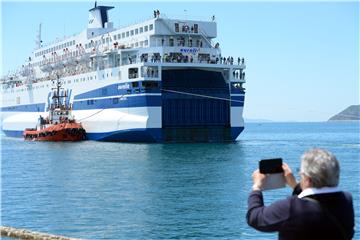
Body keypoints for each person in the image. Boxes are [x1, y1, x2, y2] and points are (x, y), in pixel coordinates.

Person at [247, 148, 354, 240]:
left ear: (307, 179)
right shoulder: (346, 200)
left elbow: (255, 218)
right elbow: (317, 201)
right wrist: (295, 185)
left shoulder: (291, 207)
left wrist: (257, 187)